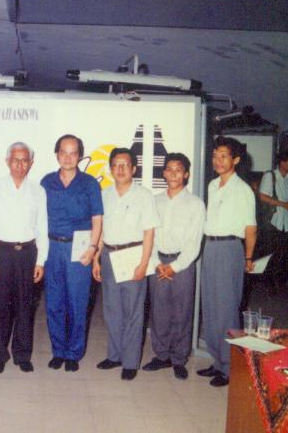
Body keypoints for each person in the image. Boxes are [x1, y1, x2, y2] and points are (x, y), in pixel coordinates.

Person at [93, 147, 158, 381]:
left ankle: (130, 362)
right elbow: (100, 230)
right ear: (110, 169)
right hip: (109, 255)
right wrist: (96, 259)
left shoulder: (144, 196)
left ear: (134, 168)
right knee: (112, 311)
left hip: (133, 256)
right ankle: (114, 356)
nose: (120, 169)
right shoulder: (105, 195)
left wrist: (143, 264)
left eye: (125, 165)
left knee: (133, 312)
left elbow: (149, 232)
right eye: (116, 165)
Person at [0, 142, 48, 373]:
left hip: (28, 253)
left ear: (31, 163)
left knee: (25, 307)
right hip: (2, 253)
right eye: (15, 160)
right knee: (1, 306)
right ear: (7, 161)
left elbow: (42, 228)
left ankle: (22, 354)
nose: (20, 164)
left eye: (24, 160)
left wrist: (40, 261)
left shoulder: (38, 191)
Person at [198, 136, 257, 386]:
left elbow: (251, 228)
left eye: (224, 156)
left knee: (227, 308)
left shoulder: (242, 190)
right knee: (211, 307)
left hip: (230, 248)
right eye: (215, 156)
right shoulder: (213, 185)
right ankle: (217, 360)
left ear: (236, 159)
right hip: (210, 247)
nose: (218, 161)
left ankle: (230, 367)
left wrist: (248, 257)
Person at [41, 134, 103, 372]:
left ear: (79, 156)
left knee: (77, 302)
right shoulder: (47, 182)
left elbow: (97, 218)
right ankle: (58, 351)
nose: (68, 157)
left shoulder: (89, 183)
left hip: (80, 247)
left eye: (73, 153)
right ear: (57, 154)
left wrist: (93, 248)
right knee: (54, 302)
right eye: (63, 152)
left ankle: (74, 353)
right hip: (53, 247)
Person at [141, 153, 205, 380]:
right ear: (164, 173)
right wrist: (156, 263)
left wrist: (174, 267)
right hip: (158, 261)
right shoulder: (154, 201)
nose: (174, 174)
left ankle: (179, 359)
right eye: (169, 169)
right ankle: (161, 356)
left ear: (186, 174)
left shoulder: (195, 204)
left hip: (182, 264)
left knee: (182, 312)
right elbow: (149, 235)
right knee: (159, 312)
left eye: (179, 170)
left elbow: (194, 242)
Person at [258, 150, 288, 287]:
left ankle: (280, 281)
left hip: (287, 222)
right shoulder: (270, 176)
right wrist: (283, 204)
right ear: (282, 162)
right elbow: (262, 196)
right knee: (271, 254)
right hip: (273, 222)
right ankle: (269, 283)